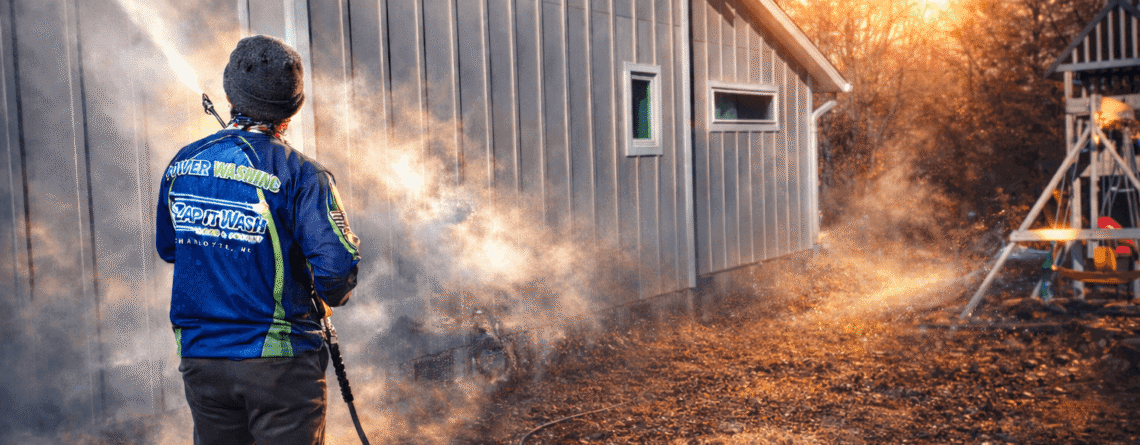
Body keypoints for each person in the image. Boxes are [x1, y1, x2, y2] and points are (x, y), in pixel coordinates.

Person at [155, 35, 361, 445]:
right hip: (279, 365)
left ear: (231, 94)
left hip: (202, 360)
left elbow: (169, 248)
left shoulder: (182, 164)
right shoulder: (302, 175)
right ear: (293, 107)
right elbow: (337, 274)